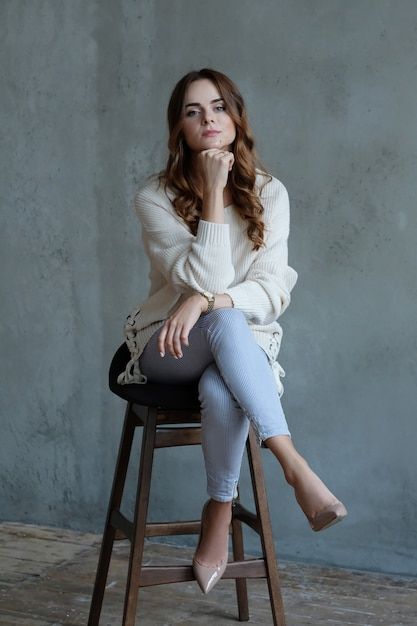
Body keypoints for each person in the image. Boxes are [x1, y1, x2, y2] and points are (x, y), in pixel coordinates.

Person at [118, 68, 347, 594]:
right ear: (179, 128)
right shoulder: (152, 197)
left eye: (218, 107)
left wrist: (204, 301)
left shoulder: (272, 194)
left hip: (237, 348)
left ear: (237, 116)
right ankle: (292, 463)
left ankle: (218, 509)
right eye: (193, 111)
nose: (208, 119)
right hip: (167, 345)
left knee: (223, 386)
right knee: (221, 319)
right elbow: (204, 275)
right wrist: (215, 193)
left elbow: (271, 293)